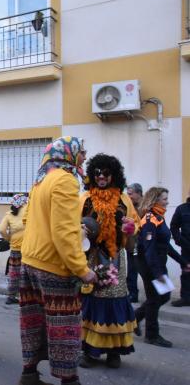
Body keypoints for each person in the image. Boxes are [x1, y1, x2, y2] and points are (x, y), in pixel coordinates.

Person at [18, 136, 96, 385]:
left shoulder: (41, 180)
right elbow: (64, 232)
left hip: (30, 261)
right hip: (53, 266)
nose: (84, 156)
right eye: (82, 151)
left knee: (34, 323)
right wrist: (82, 270)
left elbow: (27, 220)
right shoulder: (64, 179)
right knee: (65, 329)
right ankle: (69, 380)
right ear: (69, 153)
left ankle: (29, 375)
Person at [78, 154, 139, 369]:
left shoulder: (124, 200)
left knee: (116, 301)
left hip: (117, 257)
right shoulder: (84, 199)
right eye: (97, 173)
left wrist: (130, 230)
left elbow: (133, 235)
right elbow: (73, 229)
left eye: (106, 173)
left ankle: (115, 353)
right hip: (93, 256)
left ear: (114, 175)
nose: (101, 176)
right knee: (92, 301)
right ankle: (91, 352)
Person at [134, 187, 190, 347]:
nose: (168, 202)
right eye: (165, 199)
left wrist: (182, 262)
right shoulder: (150, 219)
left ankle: (134, 318)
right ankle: (152, 335)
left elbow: (165, 245)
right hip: (148, 264)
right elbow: (149, 249)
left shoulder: (159, 217)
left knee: (164, 296)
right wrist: (157, 272)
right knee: (154, 298)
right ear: (155, 200)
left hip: (156, 263)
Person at [0, 194, 28, 305]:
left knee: (14, 273)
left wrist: (9, 239)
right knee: (26, 273)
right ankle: (26, 297)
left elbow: (1, 229)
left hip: (15, 248)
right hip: (28, 248)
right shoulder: (27, 209)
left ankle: (11, 296)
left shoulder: (9, 214)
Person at [170, 187, 190, 307]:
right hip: (186, 246)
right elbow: (174, 226)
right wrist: (179, 240)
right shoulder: (182, 209)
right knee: (186, 271)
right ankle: (186, 297)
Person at [125, 183, 143, 303]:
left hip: (143, 246)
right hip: (131, 245)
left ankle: (159, 293)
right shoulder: (128, 206)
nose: (128, 196)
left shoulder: (146, 207)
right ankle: (133, 294)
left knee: (147, 271)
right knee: (132, 270)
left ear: (138, 193)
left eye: (130, 194)